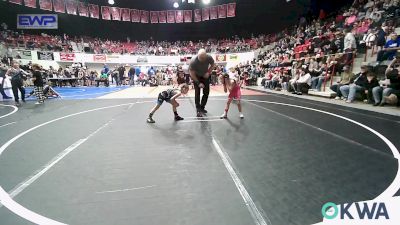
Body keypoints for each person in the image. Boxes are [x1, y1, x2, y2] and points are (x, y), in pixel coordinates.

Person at [189, 49, 215, 117]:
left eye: (204, 58)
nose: (202, 60)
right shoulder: (193, 61)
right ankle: (198, 109)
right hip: (196, 76)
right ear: (198, 56)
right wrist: (198, 83)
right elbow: (192, 74)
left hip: (205, 76)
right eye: (201, 58)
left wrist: (208, 72)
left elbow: (213, 64)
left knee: (206, 92)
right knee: (197, 93)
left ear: (206, 55)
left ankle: (202, 107)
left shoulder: (209, 57)